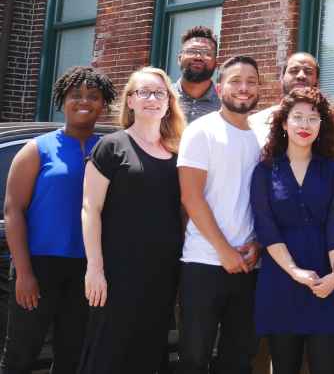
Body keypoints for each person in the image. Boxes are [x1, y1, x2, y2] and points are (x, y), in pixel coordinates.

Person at [0, 67, 115, 374]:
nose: (84, 102)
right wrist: (23, 273)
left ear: (103, 104)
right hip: (39, 264)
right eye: (75, 95)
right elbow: (13, 212)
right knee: (21, 354)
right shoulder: (37, 149)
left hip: (88, 268)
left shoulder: (110, 149)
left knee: (73, 356)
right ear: (62, 101)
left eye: (93, 96)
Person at [78, 67, 185, 373]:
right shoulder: (112, 146)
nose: (152, 99)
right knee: (107, 354)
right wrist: (94, 269)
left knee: (149, 355)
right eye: (143, 92)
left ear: (168, 102)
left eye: (159, 93)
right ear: (130, 101)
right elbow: (90, 209)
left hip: (162, 276)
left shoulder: (178, 154)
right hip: (116, 274)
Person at [251, 87, 334, 373]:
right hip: (281, 280)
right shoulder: (265, 171)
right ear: (284, 123)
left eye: (312, 118)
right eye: (297, 117)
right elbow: (265, 227)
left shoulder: (333, 170)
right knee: (284, 367)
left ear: (322, 125)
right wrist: (294, 272)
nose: (305, 125)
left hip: (327, 278)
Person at [177, 55, 263, 374]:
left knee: (238, 359)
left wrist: (257, 244)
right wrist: (223, 250)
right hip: (203, 263)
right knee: (194, 358)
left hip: (249, 265)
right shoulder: (201, 131)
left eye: (251, 81)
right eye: (235, 81)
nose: (243, 88)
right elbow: (191, 196)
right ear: (219, 86)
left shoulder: (262, 137)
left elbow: (261, 200)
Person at [248, 52, 319, 144]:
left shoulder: (330, 126)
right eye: (294, 71)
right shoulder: (255, 124)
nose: (301, 75)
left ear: (317, 81)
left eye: (308, 72)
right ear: (282, 77)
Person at [175, 26, 222, 122]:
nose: (198, 57)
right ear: (179, 59)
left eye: (207, 53)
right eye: (191, 51)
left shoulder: (225, 106)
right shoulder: (162, 97)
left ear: (216, 63)